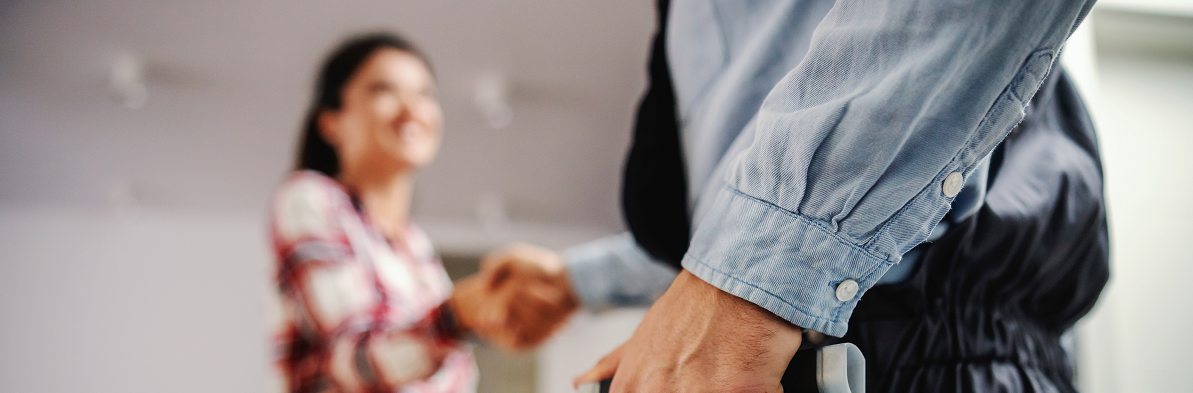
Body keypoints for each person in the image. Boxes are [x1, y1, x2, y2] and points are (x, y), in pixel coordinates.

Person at [482, 0, 1110, 392]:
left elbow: (782, 246)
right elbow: (739, 206)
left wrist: (742, 286)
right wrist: (575, 281)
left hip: (940, 355)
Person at [267, 33, 570, 393]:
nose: (412, 109)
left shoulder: (415, 246)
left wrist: (492, 314)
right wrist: (461, 313)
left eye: (425, 94)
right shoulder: (310, 198)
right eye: (384, 90)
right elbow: (357, 360)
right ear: (331, 122)